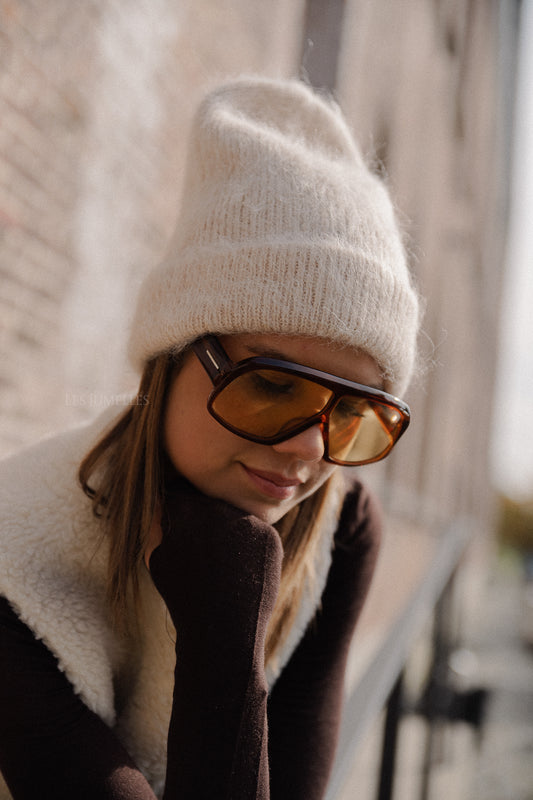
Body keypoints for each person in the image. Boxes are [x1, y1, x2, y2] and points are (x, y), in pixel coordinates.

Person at [0, 76, 420, 799]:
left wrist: (235, 597)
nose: (311, 451)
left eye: (356, 413)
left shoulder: (338, 530)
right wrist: (228, 626)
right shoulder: (12, 562)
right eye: (272, 385)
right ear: (170, 357)